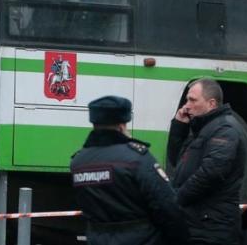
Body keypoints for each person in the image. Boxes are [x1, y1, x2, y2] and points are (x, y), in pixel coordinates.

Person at [71, 96, 189, 245]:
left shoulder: (79, 162)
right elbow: (167, 206)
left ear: (94, 122)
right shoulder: (137, 158)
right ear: (122, 124)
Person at [167, 77, 245, 245]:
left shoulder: (224, 129)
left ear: (211, 104)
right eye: (187, 100)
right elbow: (177, 162)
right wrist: (179, 127)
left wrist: (175, 201)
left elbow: (211, 173)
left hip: (211, 227)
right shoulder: (202, 128)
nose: (186, 105)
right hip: (199, 223)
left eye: (192, 100)